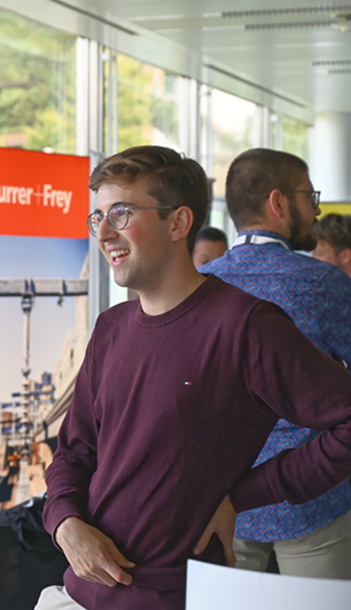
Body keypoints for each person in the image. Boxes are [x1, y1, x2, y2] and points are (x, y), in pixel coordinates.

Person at [37, 145, 351, 610]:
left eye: (120, 214)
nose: (103, 232)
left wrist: (244, 495)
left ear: (179, 223)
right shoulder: (111, 329)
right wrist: (65, 522)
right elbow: (75, 451)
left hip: (179, 596)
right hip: (82, 594)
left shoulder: (246, 327)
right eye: (97, 216)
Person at [200, 149, 351, 579]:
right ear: (279, 202)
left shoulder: (204, 284)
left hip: (223, 500)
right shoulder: (320, 283)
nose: (317, 208)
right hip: (312, 495)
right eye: (309, 195)